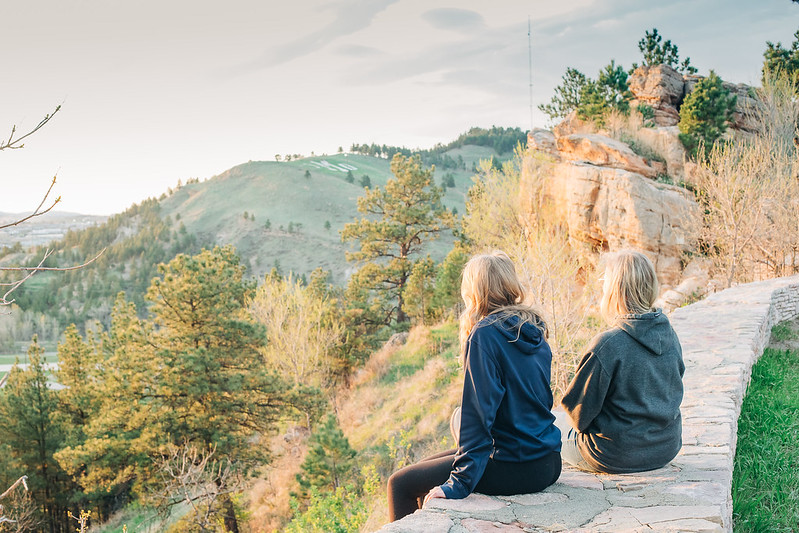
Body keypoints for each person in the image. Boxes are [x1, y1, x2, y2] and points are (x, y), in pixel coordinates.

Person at [386, 251, 561, 522]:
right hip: (548, 460)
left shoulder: (486, 334)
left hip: (516, 466)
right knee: (421, 469)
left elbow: (478, 416)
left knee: (400, 484)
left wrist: (459, 483)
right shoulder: (533, 328)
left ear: (475, 292)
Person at [558, 250, 685, 474]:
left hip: (614, 453)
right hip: (665, 447)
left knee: (552, 426)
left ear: (615, 292)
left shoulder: (607, 344)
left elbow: (577, 415)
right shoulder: (670, 335)